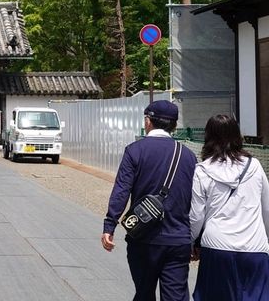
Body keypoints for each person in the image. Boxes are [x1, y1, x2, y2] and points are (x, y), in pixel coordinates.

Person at [101, 100, 197, 301]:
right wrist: (196, 239)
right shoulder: (188, 156)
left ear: (148, 121)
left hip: (143, 239)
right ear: (174, 125)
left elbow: (121, 190)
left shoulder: (135, 150)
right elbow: (196, 200)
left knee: (144, 294)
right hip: (178, 239)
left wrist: (109, 225)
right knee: (176, 297)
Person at [189, 114, 269, 301]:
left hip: (216, 246)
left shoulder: (202, 170)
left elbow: (196, 215)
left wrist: (191, 242)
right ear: (237, 135)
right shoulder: (254, 166)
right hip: (254, 246)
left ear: (208, 136)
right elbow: (266, 207)